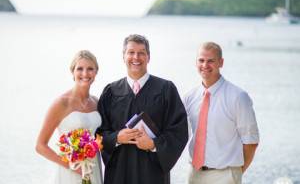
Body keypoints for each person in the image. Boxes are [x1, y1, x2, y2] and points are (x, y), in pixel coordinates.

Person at [96, 34, 188, 184]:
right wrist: (117, 138)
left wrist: (153, 144)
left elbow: (179, 131)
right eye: (131, 52)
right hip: (119, 173)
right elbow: (99, 133)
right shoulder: (111, 92)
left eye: (141, 53)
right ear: (123, 56)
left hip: (152, 173)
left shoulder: (166, 89)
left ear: (148, 57)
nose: (136, 57)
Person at [184, 42, 259, 184]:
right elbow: (180, 133)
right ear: (196, 62)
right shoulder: (189, 97)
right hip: (194, 174)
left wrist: (235, 173)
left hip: (225, 175)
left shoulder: (238, 97)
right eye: (201, 60)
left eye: (211, 61)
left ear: (221, 62)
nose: (205, 65)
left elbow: (251, 141)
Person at [36, 50, 103, 184]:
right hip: (69, 171)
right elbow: (40, 146)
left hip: (94, 169)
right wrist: (71, 166)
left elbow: (101, 138)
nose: (85, 73)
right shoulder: (61, 103)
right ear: (73, 72)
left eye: (90, 69)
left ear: (96, 73)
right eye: (80, 69)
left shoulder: (96, 102)